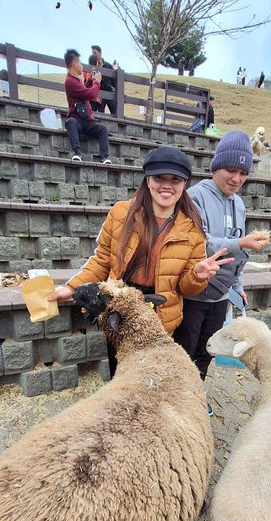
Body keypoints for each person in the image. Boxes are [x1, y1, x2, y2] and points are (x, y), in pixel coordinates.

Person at [49, 146, 232, 377]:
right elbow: (102, 259)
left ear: (184, 184)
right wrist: (71, 288)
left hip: (161, 315)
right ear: (147, 180)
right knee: (122, 376)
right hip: (120, 307)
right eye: (159, 178)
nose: (166, 185)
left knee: (155, 379)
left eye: (175, 179)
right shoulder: (120, 213)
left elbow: (185, 287)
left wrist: (197, 275)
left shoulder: (193, 227)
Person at [173, 132, 271, 415]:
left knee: (207, 350)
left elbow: (239, 253)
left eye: (243, 173)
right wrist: (240, 242)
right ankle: (178, 403)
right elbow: (198, 241)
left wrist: (238, 285)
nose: (236, 179)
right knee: (184, 351)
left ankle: (194, 398)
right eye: (231, 170)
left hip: (220, 295)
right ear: (216, 167)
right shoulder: (195, 197)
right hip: (193, 293)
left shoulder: (239, 204)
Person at [63, 48, 111, 164]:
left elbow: (83, 91)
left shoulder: (76, 80)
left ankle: (104, 157)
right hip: (77, 119)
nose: (81, 65)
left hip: (87, 120)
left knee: (102, 129)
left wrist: (89, 81)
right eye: (79, 63)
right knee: (70, 123)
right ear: (74, 64)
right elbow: (90, 94)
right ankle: (78, 153)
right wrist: (97, 82)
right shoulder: (69, 81)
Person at [90, 45, 116, 114]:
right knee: (100, 113)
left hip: (109, 92)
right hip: (99, 93)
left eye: (95, 53)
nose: (94, 55)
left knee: (114, 112)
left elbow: (114, 82)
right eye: (92, 53)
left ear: (100, 52)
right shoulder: (93, 67)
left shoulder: (108, 66)